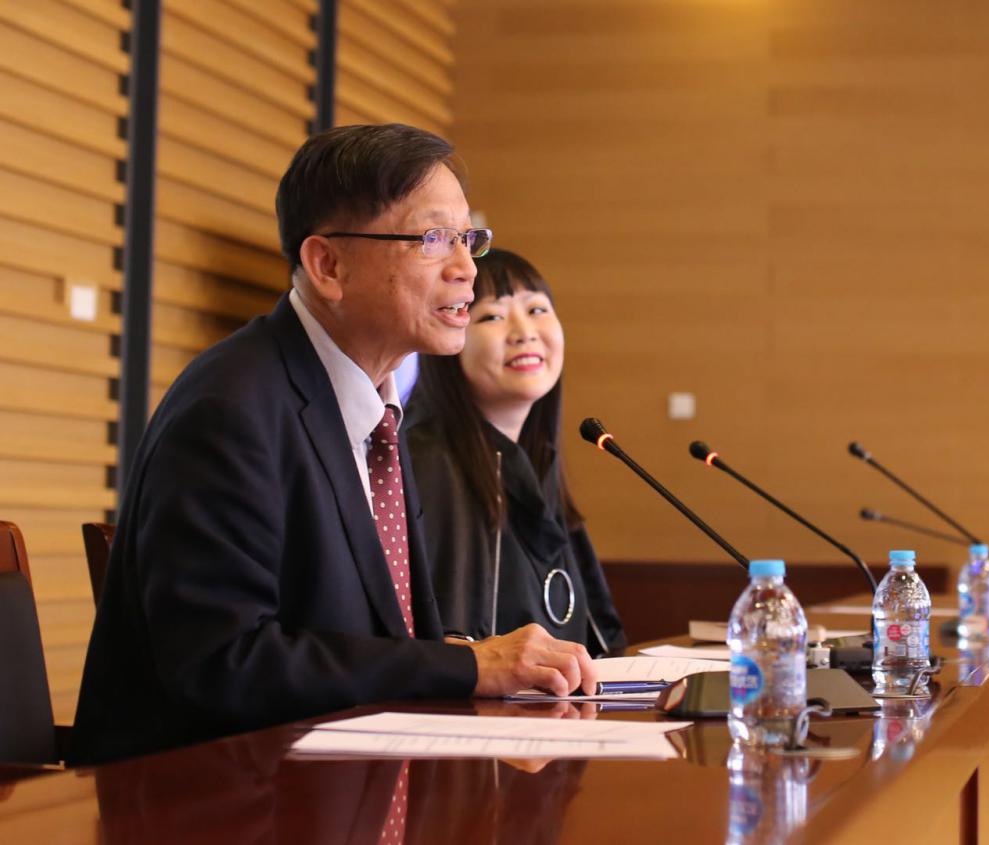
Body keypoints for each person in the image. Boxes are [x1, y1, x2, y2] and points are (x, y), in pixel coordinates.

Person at [71, 124, 596, 765]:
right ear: (328, 265)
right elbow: (223, 663)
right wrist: (466, 664)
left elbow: (383, 636)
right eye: (433, 240)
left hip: (348, 778)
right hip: (210, 794)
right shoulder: (232, 408)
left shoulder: (376, 412)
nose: (466, 269)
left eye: (467, 239)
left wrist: (470, 660)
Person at [404, 249, 626, 656]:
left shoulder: (536, 462)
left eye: (537, 309)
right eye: (492, 316)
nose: (524, 332)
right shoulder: (428, 462)